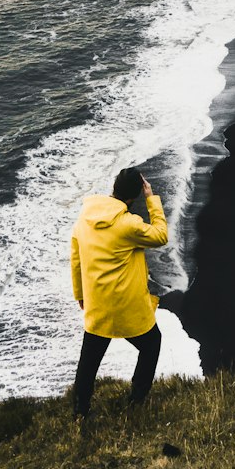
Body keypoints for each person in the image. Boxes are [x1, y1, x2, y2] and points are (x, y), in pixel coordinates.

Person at [70, 166, 168, 418]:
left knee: (89, 361)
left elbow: (76, 258)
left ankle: (80, 411)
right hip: (126, 306)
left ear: (113, 188)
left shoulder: (85, 216)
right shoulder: (129, 225)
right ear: (134, 195)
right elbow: (160, 235)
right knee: (151, 344)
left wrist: (80, 294)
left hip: (98, 303)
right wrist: (151, 199)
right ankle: (136, 400)